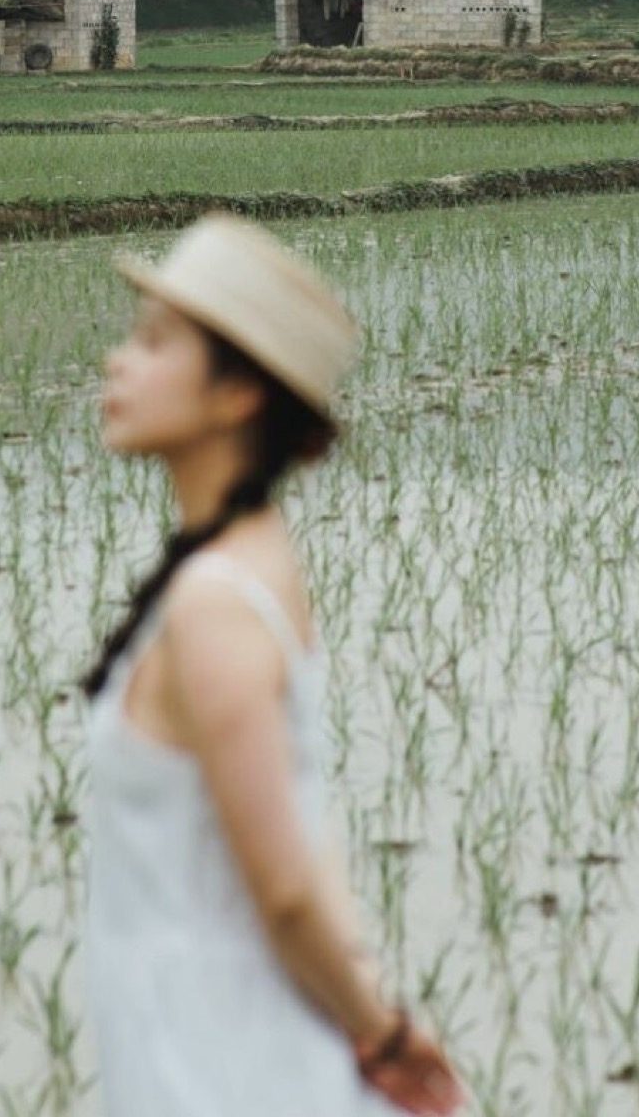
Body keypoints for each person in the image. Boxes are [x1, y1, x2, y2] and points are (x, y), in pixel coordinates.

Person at [80, 213, 465, 1116]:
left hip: (224, 1066)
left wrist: (384, 1039)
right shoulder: (254, 565)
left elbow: (288, 891)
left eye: (155, 343)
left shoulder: (216, 604)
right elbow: (303, 835)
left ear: (239, 393)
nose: (117, 362)